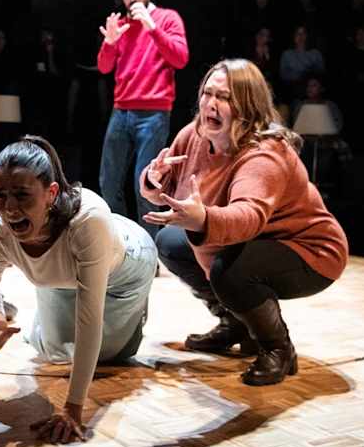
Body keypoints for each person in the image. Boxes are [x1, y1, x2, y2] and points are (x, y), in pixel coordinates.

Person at [140, 59, 348, 385]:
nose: (211, 102)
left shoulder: (264, 153)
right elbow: (174, 186)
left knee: (232, 271)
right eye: (207, 93)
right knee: (170, 242)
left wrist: (204, 218)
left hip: (309, 249)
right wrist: (155, 180)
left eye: (223, 97)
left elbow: (248, 216)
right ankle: (234, 324)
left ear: (247, 106)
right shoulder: (195, 134)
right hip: (251, 237)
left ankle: (278, 348)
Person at [0, 136, 157, 443]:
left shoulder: (87, 220)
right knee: (56, 354)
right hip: (63, 279)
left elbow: (89, 322)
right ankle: (53, 317)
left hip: (126, 266)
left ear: (51, 193)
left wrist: (73, 409)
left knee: (109, 355)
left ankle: (134, 310)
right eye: (0, 195)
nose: (10, 208)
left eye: (21, 194)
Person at [97, 0, 189, 238]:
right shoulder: (121, 24)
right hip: (121, 110)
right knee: (108, 182)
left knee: (146, 184)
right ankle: (121, 247)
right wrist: (110, 41)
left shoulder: (167, 18)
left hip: (154, 112)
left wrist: (151, 27)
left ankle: (149, 250)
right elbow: (103, 67)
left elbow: (180, 58)